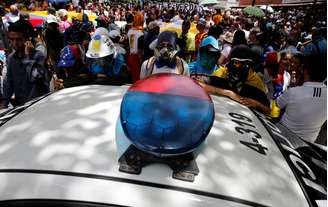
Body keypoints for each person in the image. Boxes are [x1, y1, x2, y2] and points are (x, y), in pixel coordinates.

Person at [200, 45, 271, 115]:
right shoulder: (221, 74)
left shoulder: (255, 83)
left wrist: (257, 104)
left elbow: (268, 110)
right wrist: (227, 93)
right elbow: (197, 84)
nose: (241, 67)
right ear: (230, 62)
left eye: (246, 64)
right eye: (236, 63)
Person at [276, 54, 326, 143]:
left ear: (305, 70)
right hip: (307, 146)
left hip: (281, 139)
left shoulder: (293, 92)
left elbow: (277, 104)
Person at [0, 20, 50, 108]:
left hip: (40, 105)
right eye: (12, 39)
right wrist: (4, 103)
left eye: (18, 40)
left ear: (27, 40)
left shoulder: (38, 56)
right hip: (21, 107)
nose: (14, 43)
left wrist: (28, 58)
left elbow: (35, 77)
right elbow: (9, 83)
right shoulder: (11, 59)